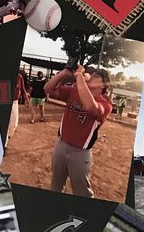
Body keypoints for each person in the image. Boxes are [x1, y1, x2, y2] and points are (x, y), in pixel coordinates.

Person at [45, 64, 113, 199]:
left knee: (82, 193)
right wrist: (65, 73)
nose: (92, 75)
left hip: (80, 153)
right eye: (91, 73)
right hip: (61, 144)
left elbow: (89, 106)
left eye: (97, 75)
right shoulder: (74, 91)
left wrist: (78, 75)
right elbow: (47, 89)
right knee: (56, 185)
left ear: (104, 85)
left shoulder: (106, 103)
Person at [7, 71, 28, 145]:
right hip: (5, 101)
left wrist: (26, 98)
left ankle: (7, 137)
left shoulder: (19, 77)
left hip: (14, 102)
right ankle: (5, 143)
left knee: (14, 123)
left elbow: (22, 89)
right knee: (7, 123)